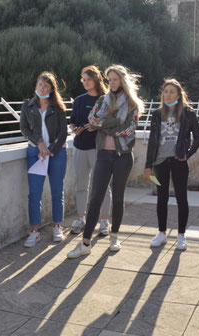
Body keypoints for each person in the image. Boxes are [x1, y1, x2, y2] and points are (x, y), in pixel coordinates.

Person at [67, 65, 144, 258]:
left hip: (123, 156)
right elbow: (92, 120)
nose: (112, 83)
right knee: (95, 197)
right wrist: (115, 122)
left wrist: (105, 125)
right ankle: (85, 243)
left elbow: (128, 129)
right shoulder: (102, 100)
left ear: (123, 81)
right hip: (103, 154)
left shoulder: (132, 104)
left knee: (118, 198)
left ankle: (114, 236)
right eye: (109, 80)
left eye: (115, 79)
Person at [143, 79, 199, 251]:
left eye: (172, 91)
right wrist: (148, 165)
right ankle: (161, 233)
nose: (168, 94)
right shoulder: (156, 113)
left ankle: (181, 235)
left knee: (181, 197)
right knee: (161, 198)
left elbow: (198, 138)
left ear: (178, 94)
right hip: (159, 163)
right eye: (165, 91)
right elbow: (152, 141)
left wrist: (188, 154)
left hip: (178, 162)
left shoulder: (188, 113)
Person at [20, 71, 68, 247]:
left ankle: (57, 227)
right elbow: (24, 129)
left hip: (57, 153)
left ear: (51, 89)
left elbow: (63, 133)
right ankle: (34, 231)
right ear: (36, 86)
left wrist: (51, 149)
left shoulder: (58, 108)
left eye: (46, 85)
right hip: (35, 153)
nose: (42, 87)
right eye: (40, 84)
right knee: (34, 194)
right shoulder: (27, 106)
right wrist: (39, 143)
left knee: (57, 191)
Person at [69, 65, 112, 236]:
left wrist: (97, 126)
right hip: (79, 147)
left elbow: (111, 123)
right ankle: (81, 218)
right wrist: (74, 129)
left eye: (88, 79)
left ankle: (104, 221)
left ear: (96, 80)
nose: (86, 82)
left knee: (102, 186)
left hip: (99, 149)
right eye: (83, 80)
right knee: (81, 185)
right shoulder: (79, 100)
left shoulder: (106, 100)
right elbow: (72, 121)